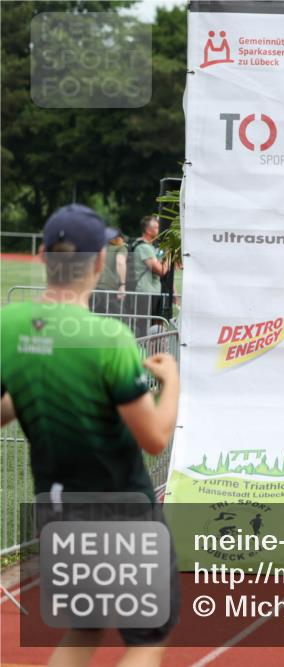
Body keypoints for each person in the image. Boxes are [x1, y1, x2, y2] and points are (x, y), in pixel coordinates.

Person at [0, 204, 180, 667]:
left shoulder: (8, 326)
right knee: (145, 638)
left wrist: (36, 386)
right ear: (101, 262)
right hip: (119, 506)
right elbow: (155, 438)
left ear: (42, 256)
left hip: (57, 508)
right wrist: (172, 380)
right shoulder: (108, 338)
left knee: (86, 627)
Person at [128, 215, 169, 337]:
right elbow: (160, 270)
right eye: (156, 227)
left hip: (152, 292)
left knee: (153, 327)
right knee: (144, 328)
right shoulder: (143, 247)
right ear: (148, 230)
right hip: (145, 293)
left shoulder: (150, 247)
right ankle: (143, 353)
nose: (158, 230)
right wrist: (168, 258)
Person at [92, 228, 127, 314]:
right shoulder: (121, 248)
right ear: (120, 238)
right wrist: (122, 285)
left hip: (93, 288)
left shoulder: (99, 248)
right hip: (109, 289)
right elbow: (120, 263)